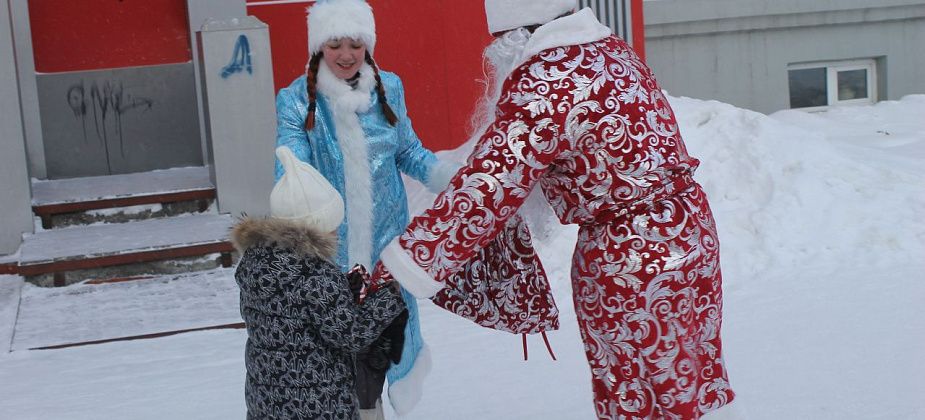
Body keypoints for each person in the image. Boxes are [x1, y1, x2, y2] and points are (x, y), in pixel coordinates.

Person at [369, 0, 742, 418]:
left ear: (515, 36)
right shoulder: (611, 49)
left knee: (637, 393)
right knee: (681, 383)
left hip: (629, 261)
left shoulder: (545, 78)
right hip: (691, 234)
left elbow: (488, 188)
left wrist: (404, 259)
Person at [274, 0, 457, 415]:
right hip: (332, 261)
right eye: (335, 43)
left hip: (387, 254)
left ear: (367, 45)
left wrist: (454, 179)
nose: (345, 54)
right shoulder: (297, 101)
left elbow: (408, 152)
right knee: (344, 368)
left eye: (355, 43)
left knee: (385, 351)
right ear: (319, 47)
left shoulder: (389, 88)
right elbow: (292, 167)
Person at [233, 147, 405, 419]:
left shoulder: (255, 265)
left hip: (267, 401)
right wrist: (387, 298)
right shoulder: (317, 276)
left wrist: (341, 293)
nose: (337, 230)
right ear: (318, 226)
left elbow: (292, 316)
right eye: (333, 223)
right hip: (319, 404)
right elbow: (351, 334)